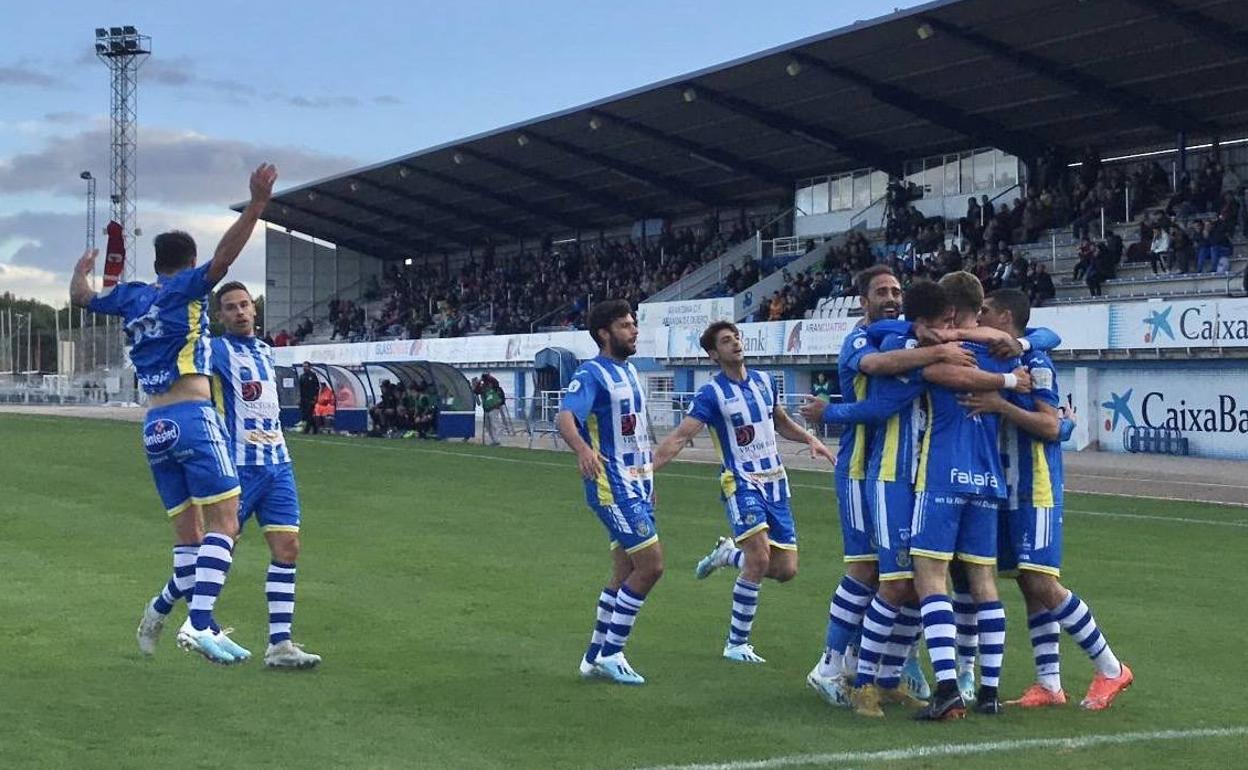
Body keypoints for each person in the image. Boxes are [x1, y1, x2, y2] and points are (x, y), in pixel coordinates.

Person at [800, 281, 1037, 718]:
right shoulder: (876, 339)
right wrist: (830, 412)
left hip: (917, 479)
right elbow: (878, 385)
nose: (889, 296)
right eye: (881, 291)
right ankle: (838, 670)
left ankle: (887, 677)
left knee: (911, 581)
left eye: (895, 290)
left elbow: (1037, 338)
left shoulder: (932, 339)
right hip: (880, 471)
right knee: (879, 575)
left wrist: (1009, 343)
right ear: (863, 300)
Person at [73, 162, 277, 665]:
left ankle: (160, 610)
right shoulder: (185, 289)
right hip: (192, 415)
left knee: (189, 538)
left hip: (154, 427)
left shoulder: (132, 297)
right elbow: (225, 258)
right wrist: (256, 205)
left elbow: (80, 297)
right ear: (185, 263)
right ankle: (200, 624)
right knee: (226, 524)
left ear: (157, 260)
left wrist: (83, 267)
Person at [962, 289, 1132, 710]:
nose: (979, 316)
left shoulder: (1036, 362)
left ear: (1004, 316)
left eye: (986, 311)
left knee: (1041, 581)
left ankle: (1111, 668)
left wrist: (1000, 406)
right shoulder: (1000, 358)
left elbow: (1051, 425)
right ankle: (1049, 683)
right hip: (1004, 487)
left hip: (1035, 487)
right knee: (1026, 582)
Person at [138, 281, 321, 668]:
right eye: (230, 308)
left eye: (244, 305)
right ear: (219, 317)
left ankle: (280, 645)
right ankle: (162, 606)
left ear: (254, 309)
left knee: (288, 548)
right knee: (217, 553)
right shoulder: (214, 352)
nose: (240, 312)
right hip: (236, 465)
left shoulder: (266, 352)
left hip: (278, 465)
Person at [652, 321, 835, 665]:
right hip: (741, 482)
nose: (735, 342)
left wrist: (810, 438)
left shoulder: (765, 382)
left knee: (785, 569)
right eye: (726, 340)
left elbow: (780, 422)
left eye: (735, 337)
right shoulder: (711, 394)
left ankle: (727, 555)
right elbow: (679, 436)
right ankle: (736, 643)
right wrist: (648, 474)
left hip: (776, 482)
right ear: (713, 354)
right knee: (761, 558)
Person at [908, 271, 1020, 720]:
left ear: (948, 310)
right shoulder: (1001, 350)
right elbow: (1025, 351)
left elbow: (932, 371)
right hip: (988, 478)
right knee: (983, 584)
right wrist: (1012, 377)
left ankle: (948, 689)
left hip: (943, 474)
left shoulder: (943, 350)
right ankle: (989, 692)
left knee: (930, 578)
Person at [556, 300, 659, 686]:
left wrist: (651, 479)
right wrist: (583, 449)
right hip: (611, 484)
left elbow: (638, 433)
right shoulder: (592, 373)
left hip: (637, 483)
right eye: (626, 325)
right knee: (652, 566)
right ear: (605, 332)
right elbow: (566, 416)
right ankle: (613, 653)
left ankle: (593, 655)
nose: (634, 331)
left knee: (625, 569)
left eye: (634, 324)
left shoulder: (630, 372)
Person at [298, 362, 320, 434]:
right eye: (303, 366)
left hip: (310, 398)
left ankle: (307, 430)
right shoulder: (302, 376)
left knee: (309, 413)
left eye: (306, 366)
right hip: (304, 398)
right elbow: (300, 389)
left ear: (309, 367)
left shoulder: (312, 376)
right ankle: (315, 428)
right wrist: (299, 398)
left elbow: (316, 387)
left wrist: (315, 397)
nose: (305, 368)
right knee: (306, 414)